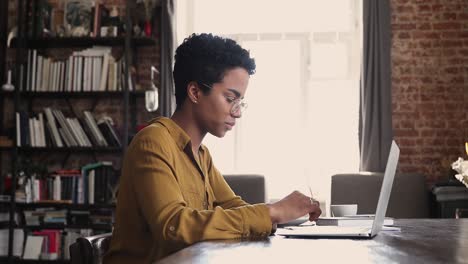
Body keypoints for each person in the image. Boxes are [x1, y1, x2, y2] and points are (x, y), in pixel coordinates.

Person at [103, 33, 321, 263]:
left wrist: (281, 212)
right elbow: (174, 227)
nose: (237, 112)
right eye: (230, 98)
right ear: (195, 92)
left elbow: (233, 206)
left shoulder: (201, 155)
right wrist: (272, 213)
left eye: (240, 102)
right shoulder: (153, 142)